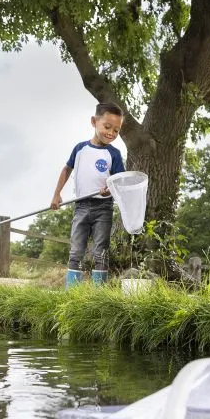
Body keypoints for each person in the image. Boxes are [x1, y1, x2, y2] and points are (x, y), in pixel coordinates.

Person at [51, 102, 126, 287]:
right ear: (94, 122)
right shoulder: (80, 149)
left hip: (103, 208)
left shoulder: (114, 154)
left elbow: (120, 183)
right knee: (76, 250)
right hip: (81, 207)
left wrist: (110, 188)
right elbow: (67, 169)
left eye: (116, 130)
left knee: (100, 251)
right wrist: (57, 194)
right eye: (107, 127)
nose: (111, 133)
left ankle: (98, 294)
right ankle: (72, 292)